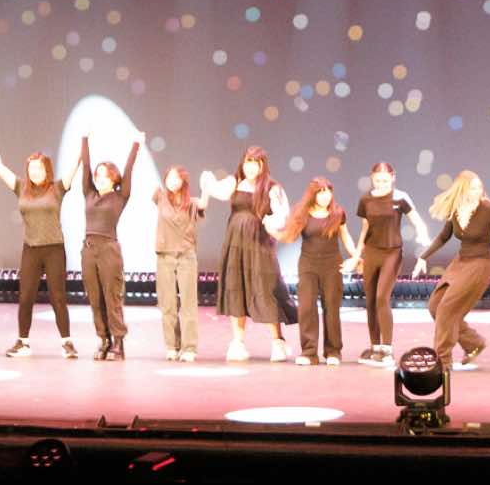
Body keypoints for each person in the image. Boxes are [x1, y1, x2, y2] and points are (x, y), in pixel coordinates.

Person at [418, 170, 490, 372]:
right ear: (462, 189)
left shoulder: (487, 208)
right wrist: (422, 257)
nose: (477, 191)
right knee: (435, 306)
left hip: (480, 264)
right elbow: (444, 236)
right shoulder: (456, 209)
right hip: (461, 262)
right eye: (473, 188)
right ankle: (473, 343)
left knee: (447, 308)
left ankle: (443, 362)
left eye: (479, 187)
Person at [0, 129, 79, 359]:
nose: (35, 172)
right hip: (31, 249)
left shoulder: (57, 188)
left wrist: (84, 140)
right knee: (25, 296)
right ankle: (23, 342)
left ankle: (67, 342)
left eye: (39, 168)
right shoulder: (21, 187)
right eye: (31, 168)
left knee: (58, 297)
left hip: (54, 248)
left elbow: (77, 163)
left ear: (47, 170)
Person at [199, 146, 296, 361]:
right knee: (237, 289)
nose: (251, 167)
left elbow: (283, 214)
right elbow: (216, 189)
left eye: (255, 163)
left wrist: (272, 221)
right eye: (247, 162)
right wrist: (207, 180)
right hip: (236, 243)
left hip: (259, 244)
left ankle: (278, 341)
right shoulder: (235, 182)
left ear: (263, 165)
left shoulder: (272, 188)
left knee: (265, 289)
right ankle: (238, 343)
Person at [351, 162, 431, 368]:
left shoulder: (400, 198)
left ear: (393, 178)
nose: (381, 184)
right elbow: (364, 230)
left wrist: (424, 238)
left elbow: (417, 221)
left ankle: (387, 349)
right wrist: (356, 255)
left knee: (381, 297)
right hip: (372, 252)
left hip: (392, 253)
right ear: (372, 179)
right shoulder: (366, 199)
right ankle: (375, 346)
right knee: (370, 300)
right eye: (378, 180)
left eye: (385, 180)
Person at [278, 177, 361, 366]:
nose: (325, 196)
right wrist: (272, 230)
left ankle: (333, 352)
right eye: (321, 192)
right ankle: (309, 352)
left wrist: (356, 257)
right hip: (308, 265)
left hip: (332, 265)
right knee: (307, 307)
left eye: (328, 191)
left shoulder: (338, 213)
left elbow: (345, 236)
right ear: (313, 194)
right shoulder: (302, 212)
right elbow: (289, 236)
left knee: (331, 308)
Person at [78, 132, 142, 361]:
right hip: (89, 250)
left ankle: (118, 342)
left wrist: (136, 144)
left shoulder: (120, 196)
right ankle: (103, 339)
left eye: (105, 176)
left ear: (114, 179)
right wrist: (85, 138)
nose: (99, 179)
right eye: (98, 175)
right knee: (94, 298)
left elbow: (129, 168)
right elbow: (85, 166)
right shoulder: (89, 193)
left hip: (108, 250)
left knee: (111, 297)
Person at [152, 166, 209, 361]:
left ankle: (189, 347)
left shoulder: (191, 203)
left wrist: (206, 188)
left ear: (184, 181)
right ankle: (172, 346)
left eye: (177, 178)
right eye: (169, 177)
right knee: (167, 304)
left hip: (186, 256)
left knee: (188, 304)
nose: (173, 181)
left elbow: (203, 204)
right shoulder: (159, 197)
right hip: (164, 256)